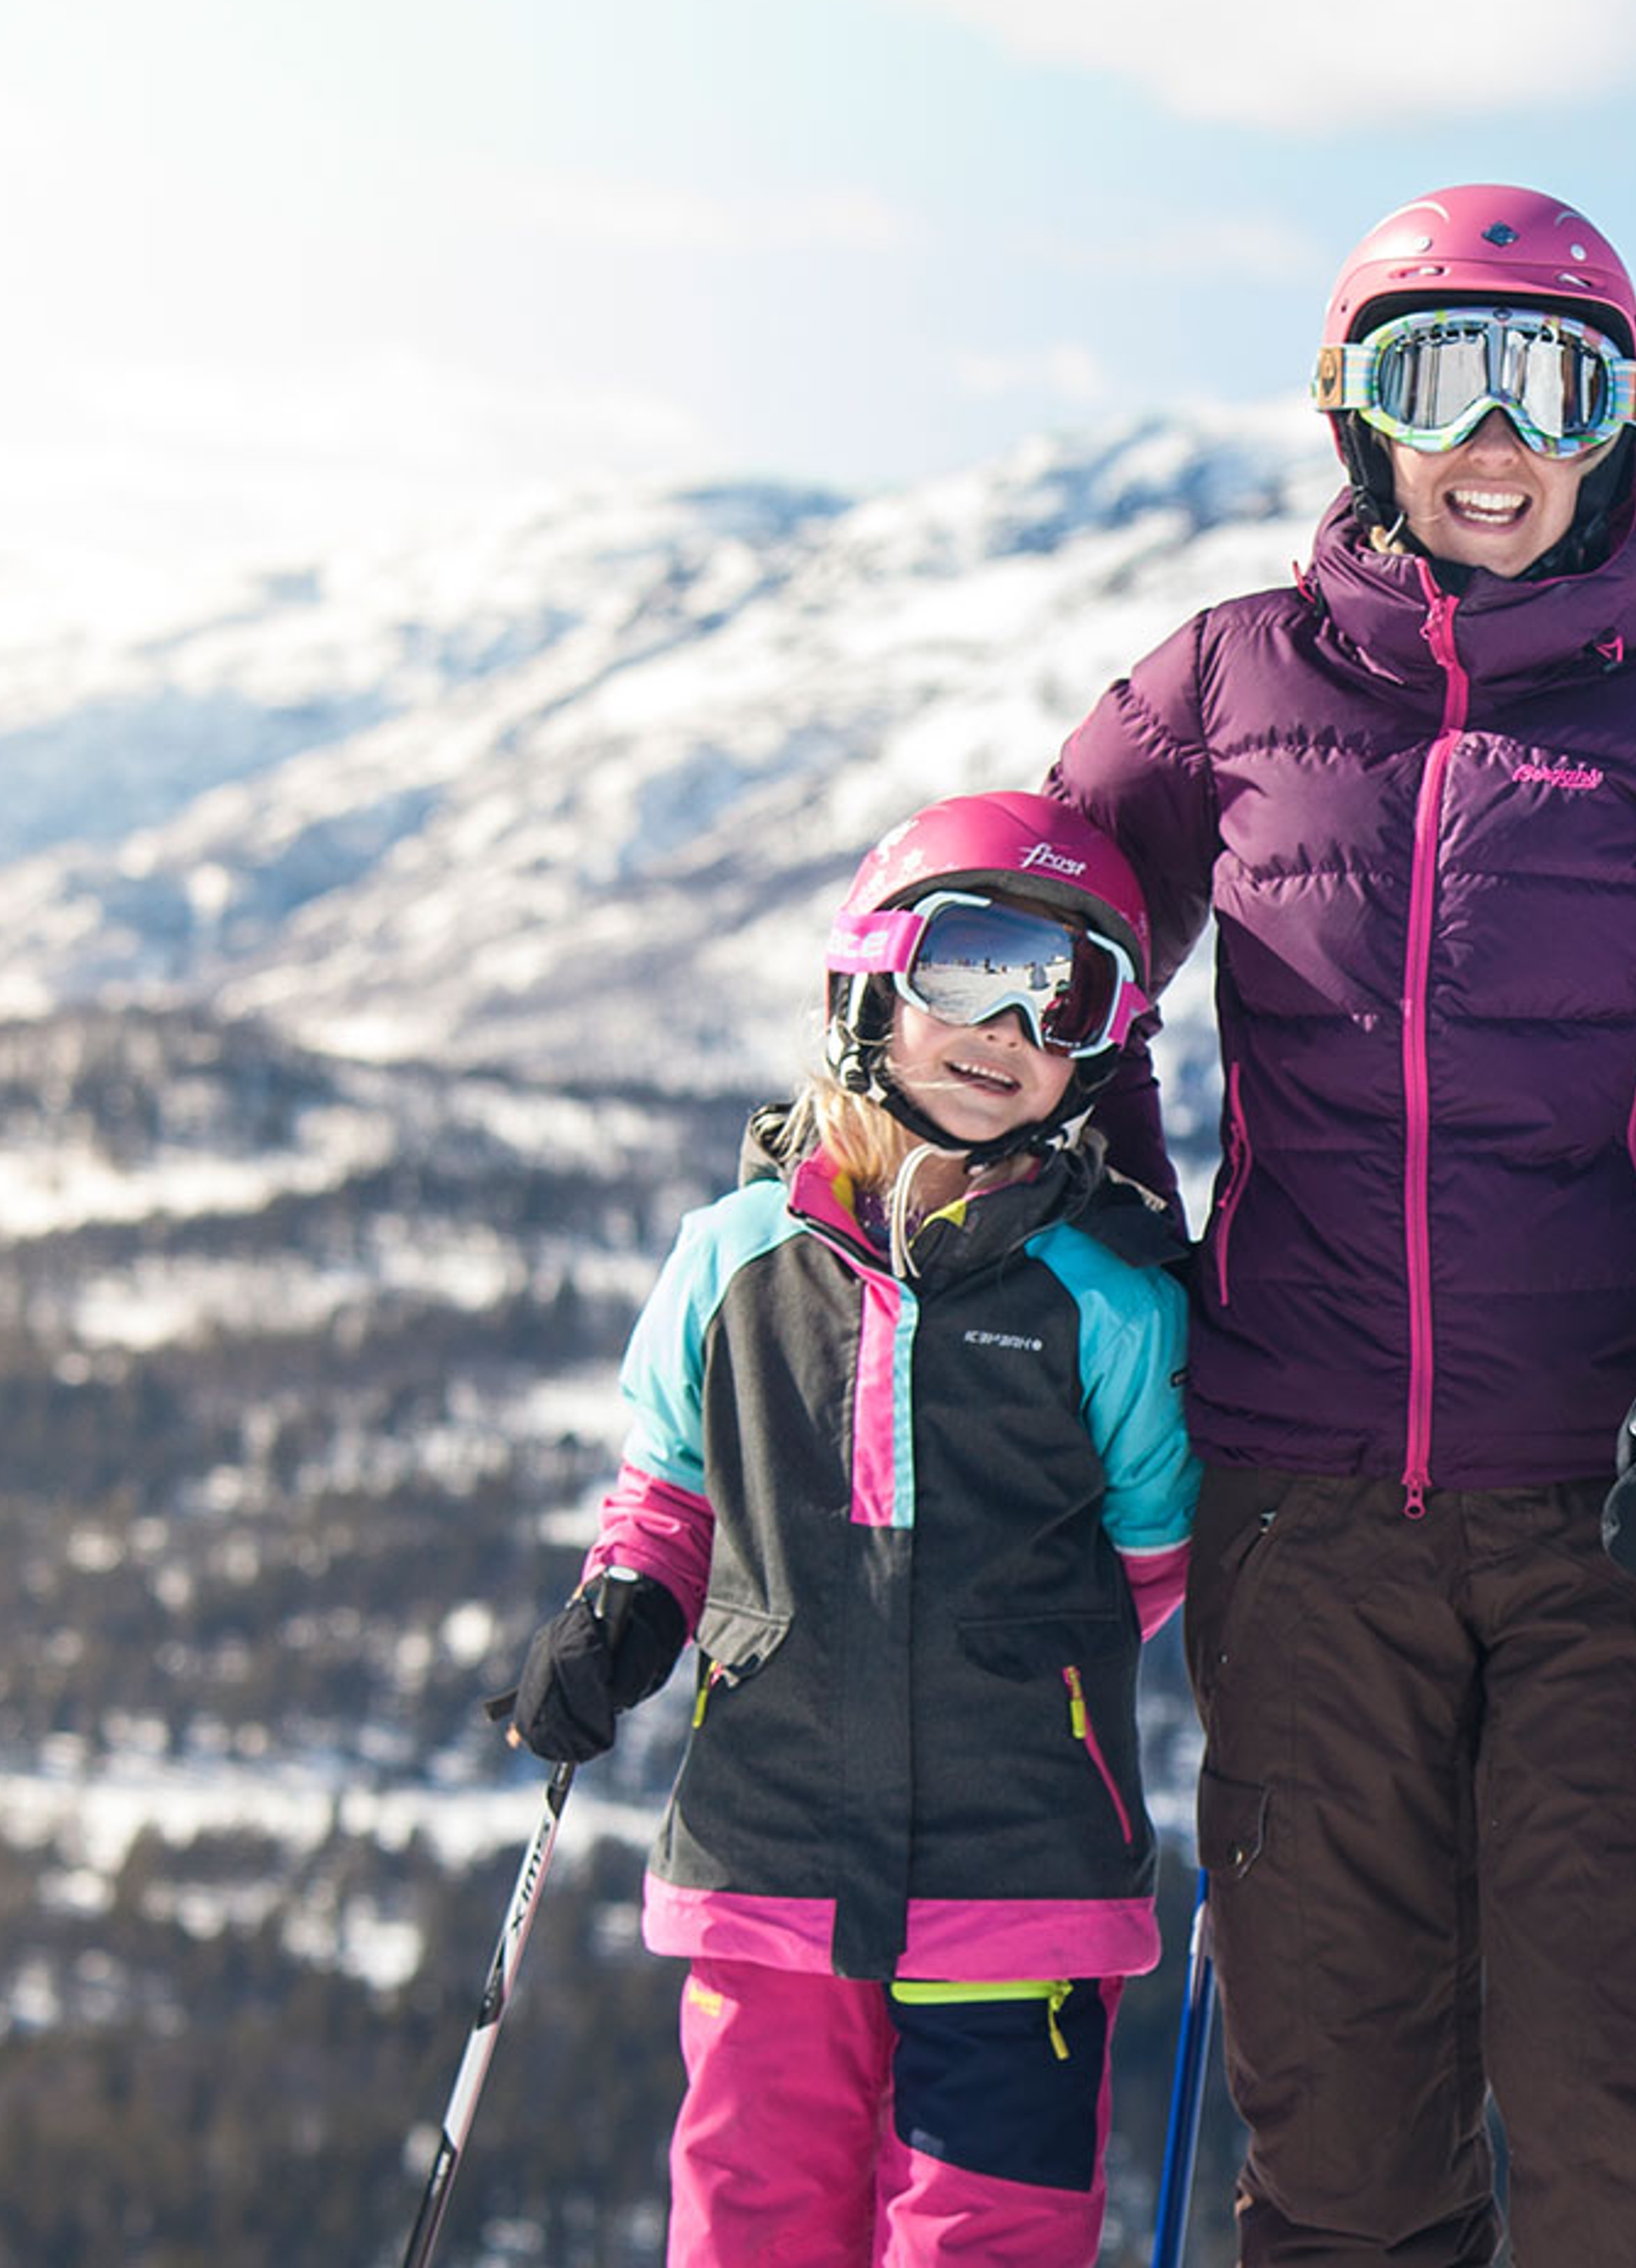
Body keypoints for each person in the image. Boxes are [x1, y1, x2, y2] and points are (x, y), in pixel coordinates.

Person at [1047, 182, 1636, 2265]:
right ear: (1357, 415)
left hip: (1626, 1514)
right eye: (1441, 377)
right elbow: (1047, 947)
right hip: (1309, 1512)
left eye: (1556, 378)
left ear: (1620, 413)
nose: (1500, 438)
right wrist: (1127, 1238)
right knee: (1342, 2146)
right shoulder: (1223, 688)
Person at [500, 789, 1195, 2268]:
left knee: (984, 2237)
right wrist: (629, 1604)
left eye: (1064, 1002)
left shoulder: (1109, 1304)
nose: (1009, 1028)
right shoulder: (736, 1262)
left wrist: (1019, 1672)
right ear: (870, 976)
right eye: (974, 967)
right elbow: (673, 1483)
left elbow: (1148, 1555)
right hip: (771, 1845)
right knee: (755, 2218)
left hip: (1024, 1872)